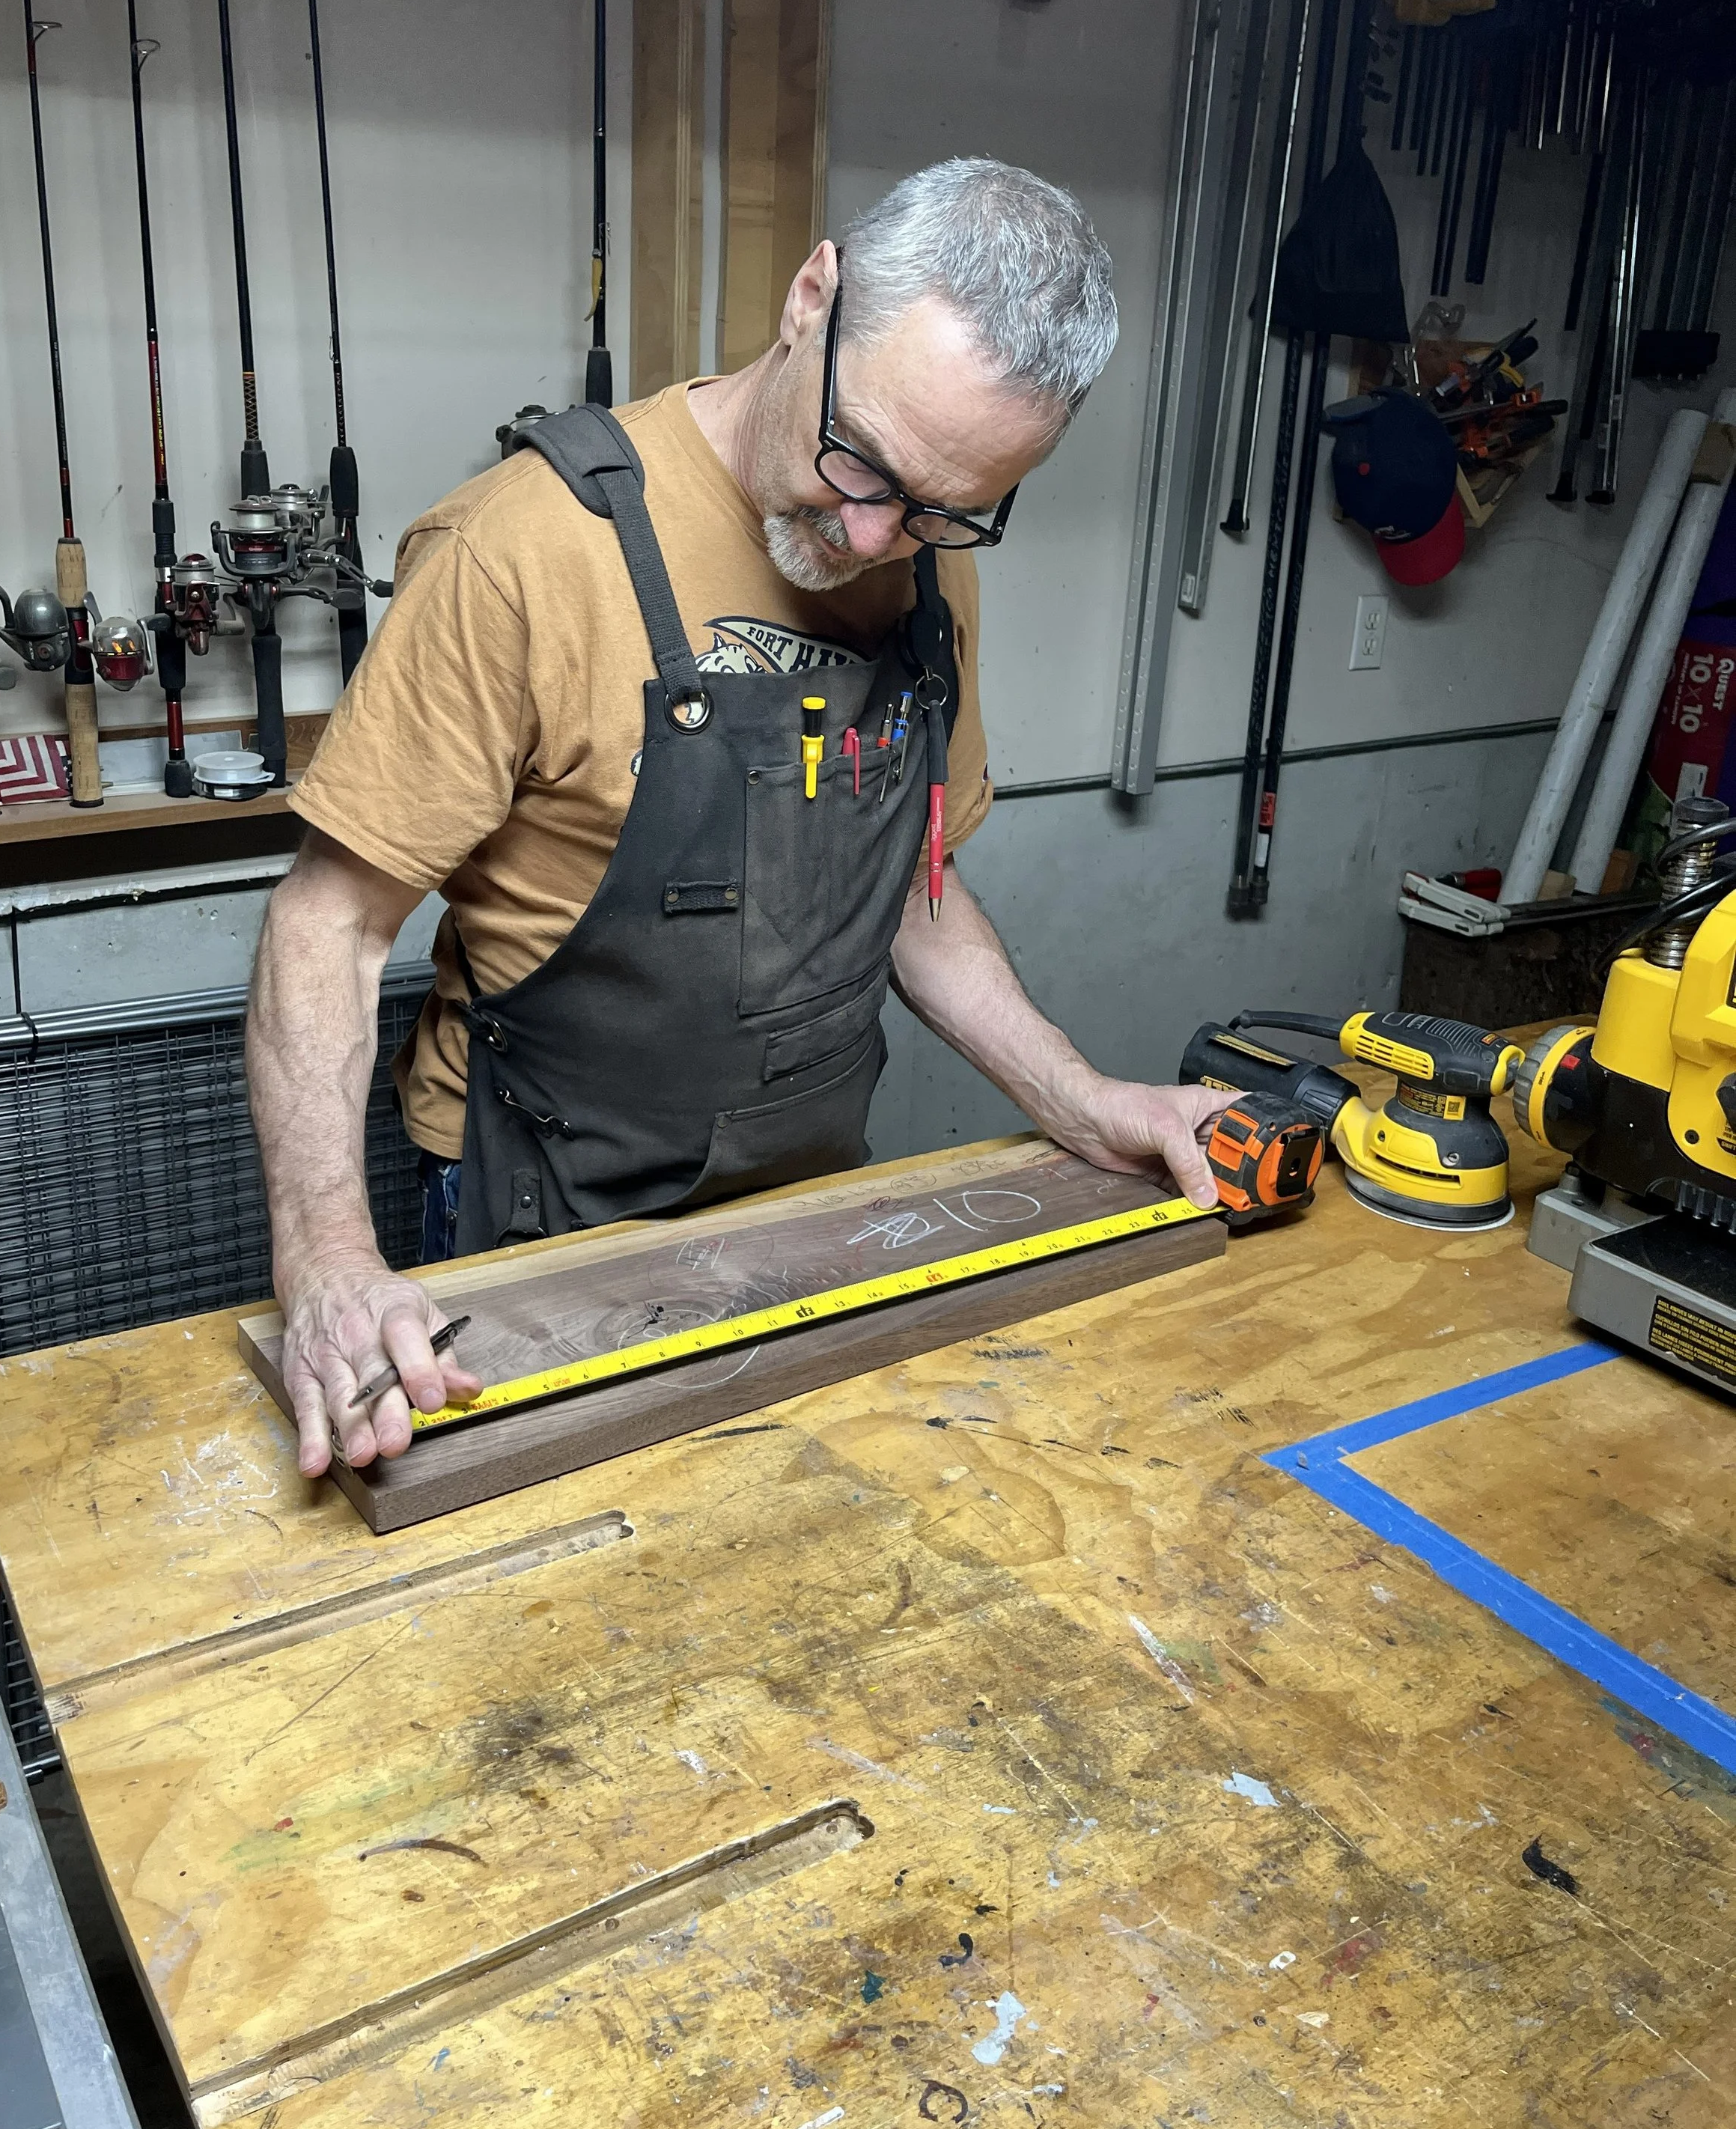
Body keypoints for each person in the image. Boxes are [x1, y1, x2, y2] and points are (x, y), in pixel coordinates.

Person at [247, 158, 1232, 1478]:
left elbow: (911, 888)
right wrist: (329, 1267)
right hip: (545, 1218)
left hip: (808, 1205)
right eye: (862, 461)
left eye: (945, 507)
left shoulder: (923, 566)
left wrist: (1080, 1095)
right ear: (810, 296)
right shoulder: (526, 552)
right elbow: (329, 924)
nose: (879, 533)